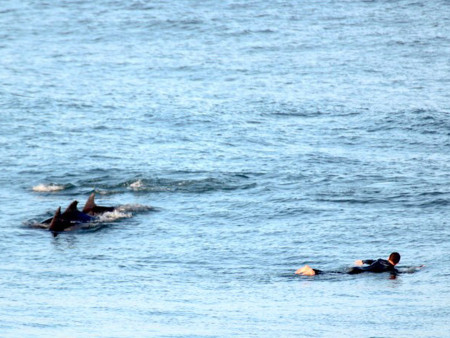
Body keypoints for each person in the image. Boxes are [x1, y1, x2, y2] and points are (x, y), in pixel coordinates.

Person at [295, 252, 401, 276]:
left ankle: (312, 270)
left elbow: (370, 260)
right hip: (358, 272)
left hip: (356, 268)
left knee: (334, 272)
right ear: (397, 262)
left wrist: (362, 261)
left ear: (388, 257)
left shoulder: (380, 260)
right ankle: (312, 271)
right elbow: (399, 272)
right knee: (333, 274)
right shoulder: (391, 269)